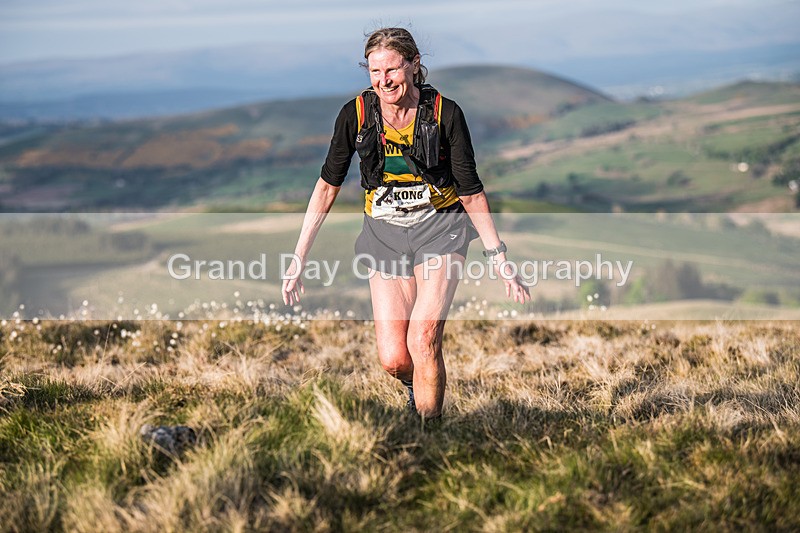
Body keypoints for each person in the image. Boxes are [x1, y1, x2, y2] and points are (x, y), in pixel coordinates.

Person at [282, 27, 530, 419]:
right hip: (383, 234)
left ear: (414, 65)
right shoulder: (355, 115)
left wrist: (498, 258)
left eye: (392, 70)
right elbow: (328, 186)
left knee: (424, 338)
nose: (384, 81)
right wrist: (299, 257)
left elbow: (470, 191)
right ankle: (417, 389)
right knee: (395, 358)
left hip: (441, 229)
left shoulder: (445, 114)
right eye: (375, 72)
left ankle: (430, 434)